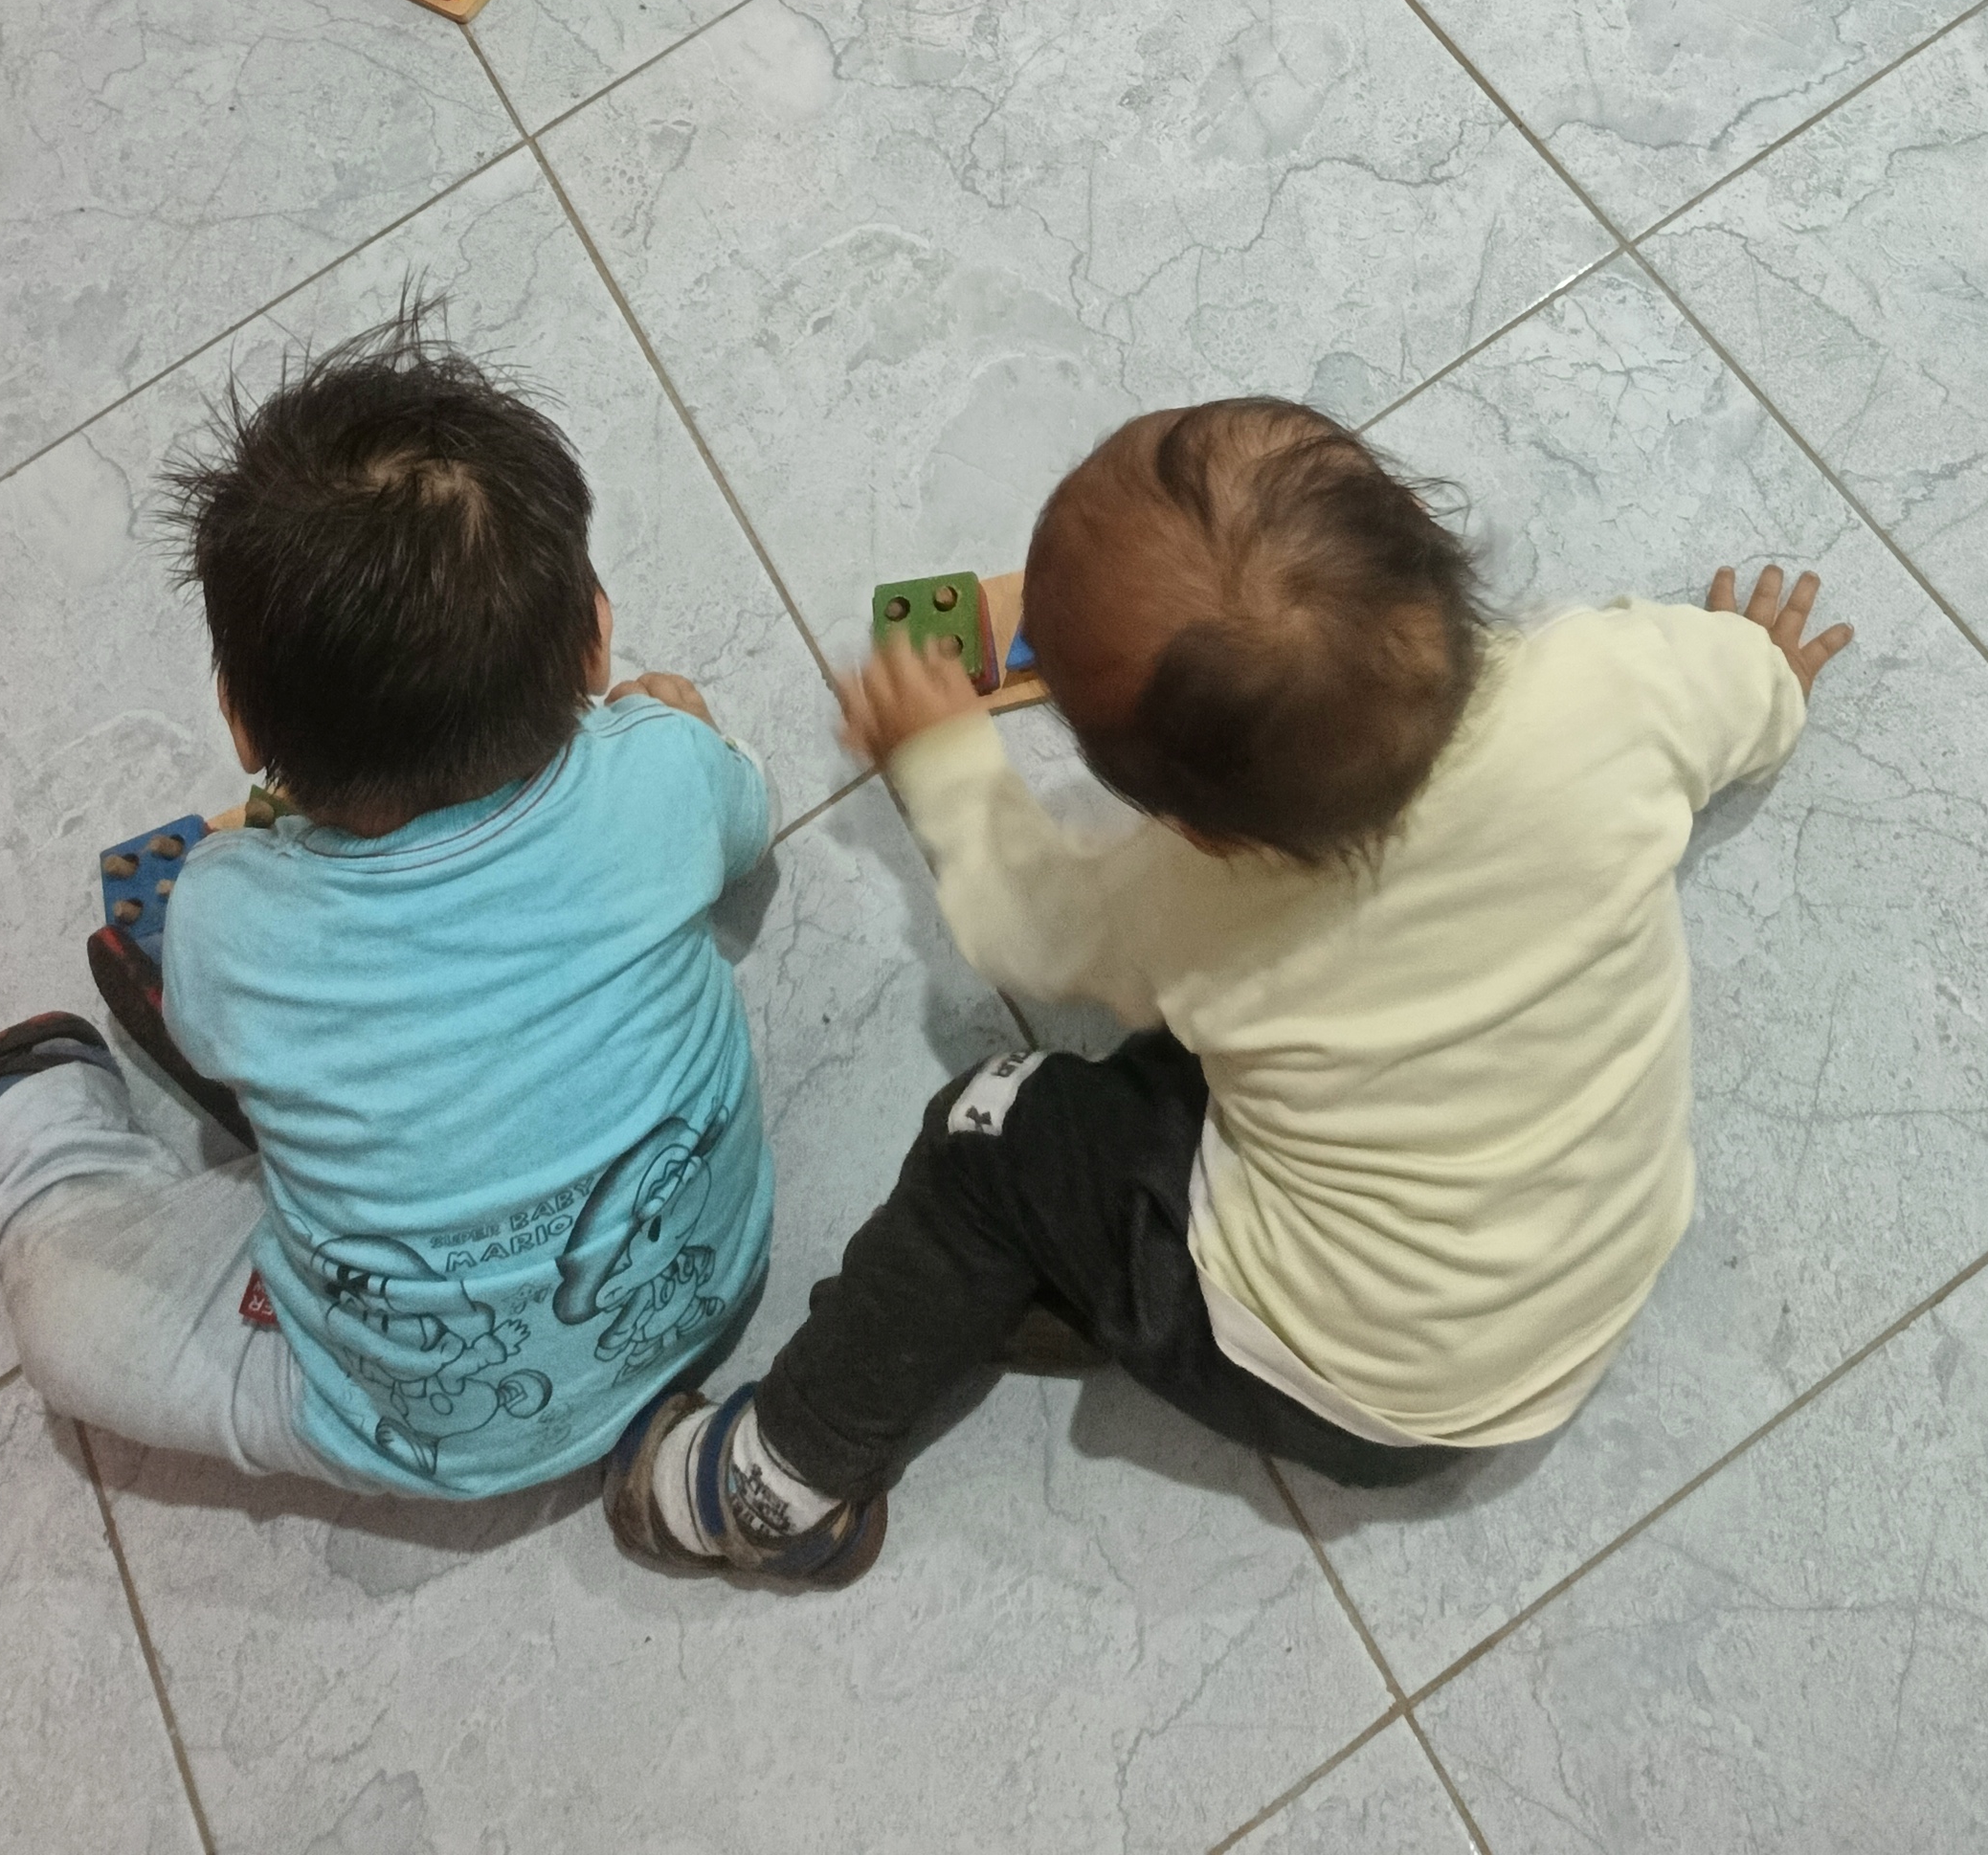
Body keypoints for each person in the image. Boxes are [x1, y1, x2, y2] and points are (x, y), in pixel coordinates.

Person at [602, 395, 1850, 1581]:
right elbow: (1747, 693)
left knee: (991, 1134)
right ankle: (1084, 1292)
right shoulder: (1619, 683)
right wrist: (1769, 668)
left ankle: (780, 1477)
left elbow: (1020, 919)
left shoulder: (1183, 904)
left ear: (1198, 829)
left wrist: (940, 755)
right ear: (1421, 525)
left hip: (1349, 1387)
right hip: (1589, 1281)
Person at [0, 318, 780, 1503]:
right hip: (713, 1286)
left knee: (64, 1327)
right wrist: (680, 724)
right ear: (597, 640)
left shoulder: (225, 912)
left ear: (244, 728)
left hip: (406, 1431)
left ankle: (30, 1113)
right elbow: (748, 827)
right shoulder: (663, 772)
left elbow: (210, 1038)